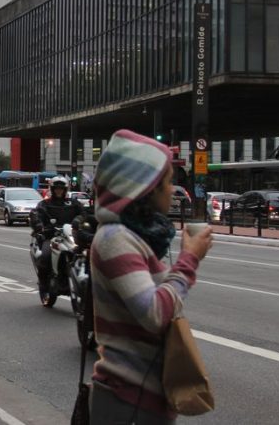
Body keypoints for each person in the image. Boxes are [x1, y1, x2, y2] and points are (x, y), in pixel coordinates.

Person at [88, 130, 213, 424]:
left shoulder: (134, 237)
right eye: (167, 182)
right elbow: (155, 313)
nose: (172, 190)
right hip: (129, 398)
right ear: (144, 188)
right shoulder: (115, 239)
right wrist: (189, 259)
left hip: (143, 397)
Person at [31, 176, 89, 272]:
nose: (59, 191)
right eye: (57, 188)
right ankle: (44, 284)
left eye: (61, 189)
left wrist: (79, 220)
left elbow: (84, 214)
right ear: (52, 189)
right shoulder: (44, 204)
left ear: (65, 190)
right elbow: (36, 214)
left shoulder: (73, 203)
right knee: (45, 256)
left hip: (71, 236)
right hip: (52, 236)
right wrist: (39, 225)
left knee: (86, 254)